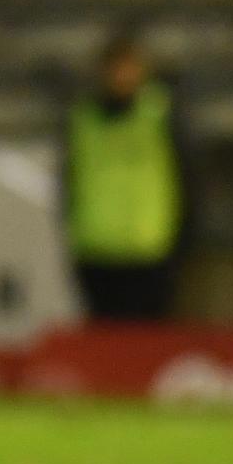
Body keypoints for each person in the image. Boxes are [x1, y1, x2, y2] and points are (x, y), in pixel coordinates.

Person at [62, 31, 190, 322]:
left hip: (151, 254)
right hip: (96, 255)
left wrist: (182, 246)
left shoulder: (163, 114)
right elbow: (69, 181)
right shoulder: (81, 120)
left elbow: (185, 179)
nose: (122, 76)